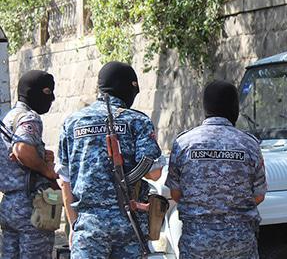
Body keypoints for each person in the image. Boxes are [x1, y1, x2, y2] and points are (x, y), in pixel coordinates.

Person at [56, 61, 166, 258]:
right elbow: (155, 173)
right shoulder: (138, 121)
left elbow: (65, 182)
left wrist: (74, 225)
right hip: (129, 225)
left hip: (88, 226)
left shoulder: (72, 123)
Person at [166, 80, 267, 259]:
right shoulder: (250, 144)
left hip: (197, 243)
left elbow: (175, 193)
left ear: (205, 107)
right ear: (234, 108)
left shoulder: (183, 143)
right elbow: (259, 195)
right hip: (239, 243)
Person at [0, 70, 58, 258]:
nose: (52, 98)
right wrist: (46, 170)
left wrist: (40, 154)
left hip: (9, 204)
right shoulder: (29, 117)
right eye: (48, 92)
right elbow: (22, 150)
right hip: (30, 205)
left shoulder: (8, 118)